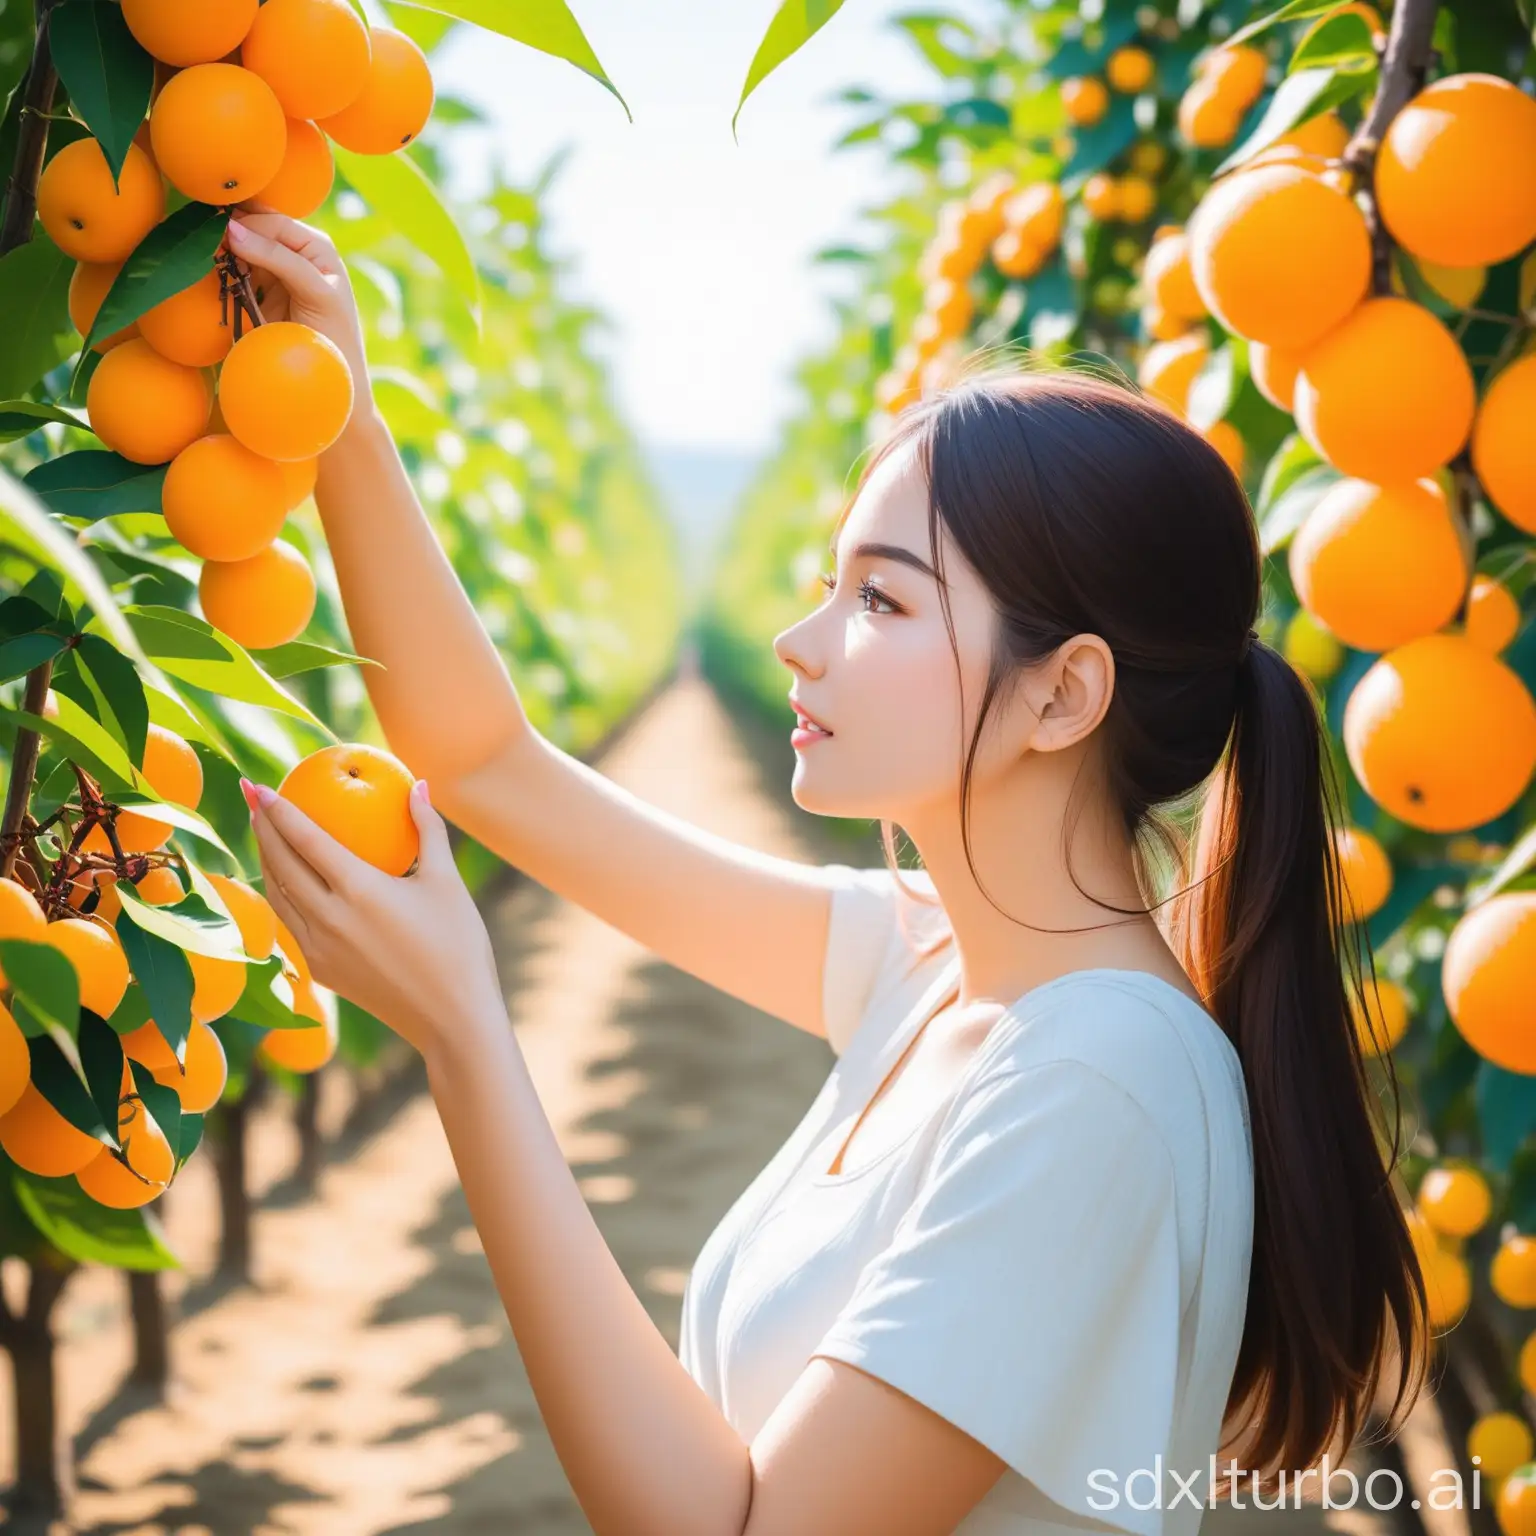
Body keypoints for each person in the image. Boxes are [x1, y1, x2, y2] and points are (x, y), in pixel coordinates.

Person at [228, 204, 1430, 1535]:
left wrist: (464, 1034)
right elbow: (489, 767)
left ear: (1062, 693)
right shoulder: (932, 968)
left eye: (883, 599)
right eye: (830, 586)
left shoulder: (1094, 1083)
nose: (802, 641)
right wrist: (332, 411)